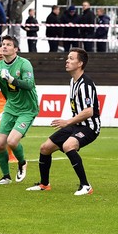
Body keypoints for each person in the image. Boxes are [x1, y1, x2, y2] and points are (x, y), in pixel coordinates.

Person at [27, 48, 100, 196]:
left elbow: (89, 111)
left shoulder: (85, 84)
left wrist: (67, 122)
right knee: (45, 148)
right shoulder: (73, 81)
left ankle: (86, 186)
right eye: (67, 58)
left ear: (80, 63)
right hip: (75, 125)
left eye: (71, 58)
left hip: (90, 127)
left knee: (68, 145)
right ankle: (44, 184)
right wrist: (70, 123)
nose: (67, 61)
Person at [0, 35, 36, 185]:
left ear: (15, 49)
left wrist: (11, 79)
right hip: (10, 107)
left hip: (27, 109)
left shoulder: (24, 64)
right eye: (3, 44)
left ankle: (22, 163)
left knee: (12, 141)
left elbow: (29, 84)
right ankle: (5, 177)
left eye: (8, 45)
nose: (4, 47)